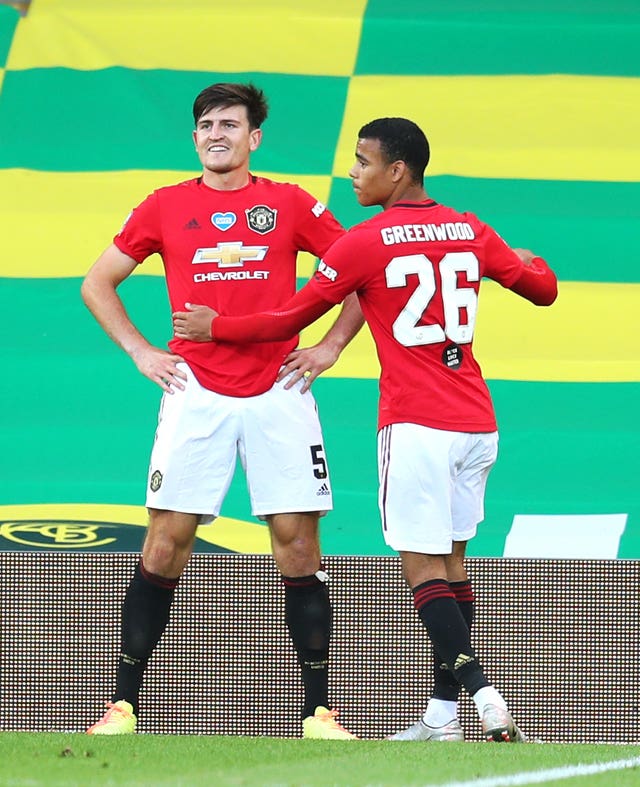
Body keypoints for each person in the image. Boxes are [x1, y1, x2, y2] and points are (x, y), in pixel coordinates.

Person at [174, 117, 558, 743]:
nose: (352, 172)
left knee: (422, 571)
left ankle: (485, 693)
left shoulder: (365, 242)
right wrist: (527, 260)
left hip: (416, 423)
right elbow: (543, 290)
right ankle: (442, 718)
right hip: (477, 423)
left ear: (396, 171)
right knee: (453, 567)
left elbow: (286, 319)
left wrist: (215, 327)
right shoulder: (470, 228)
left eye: (362, 161)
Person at [81, 82, 364, 739]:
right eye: (207, 124)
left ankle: (318, 713)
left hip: (279, 392)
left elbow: (358, 274)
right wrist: (139, 350)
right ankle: (122, 706)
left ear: (253, 138)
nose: (217, 133)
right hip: (195, 394)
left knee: (298, 546)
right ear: (195, 137)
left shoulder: (289, 204)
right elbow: (98, 282)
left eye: (230, 124)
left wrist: (330, 344)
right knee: (164, 542)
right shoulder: (165, 205)